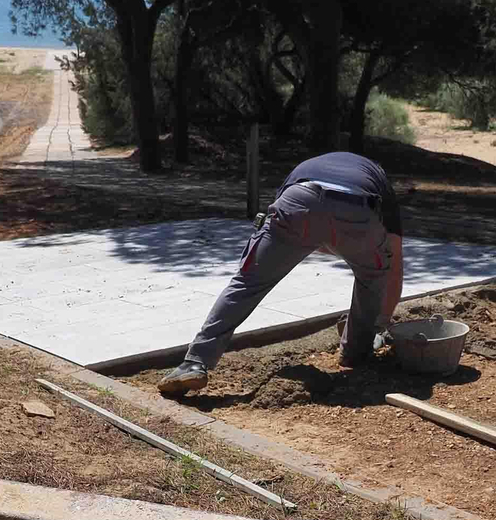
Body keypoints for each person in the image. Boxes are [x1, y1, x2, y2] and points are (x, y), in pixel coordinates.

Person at [158, 151, 405, 396]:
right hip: (358, 209)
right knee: (373, 277)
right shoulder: (379, 180)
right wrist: (382, 322)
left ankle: (194, 363)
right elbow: (393, 263)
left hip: (299, 200)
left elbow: (290, 215)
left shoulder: (307, 166)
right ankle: (355, 354)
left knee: (247, 283)